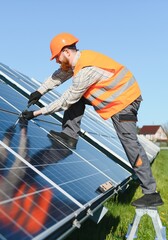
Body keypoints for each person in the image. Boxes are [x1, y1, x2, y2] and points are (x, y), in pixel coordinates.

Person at [22, 32, 163, 208]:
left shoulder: (86, 70)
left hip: (124, 101)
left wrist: (37, 113)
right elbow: (59, 75)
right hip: (118, 97)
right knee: (77, 97)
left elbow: (67, 100)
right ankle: (69, 135)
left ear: (66, 52)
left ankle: (151, 193)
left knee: (130, 143)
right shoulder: (79, 61)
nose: (57, 61)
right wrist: (40, 91)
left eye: (57, 57)